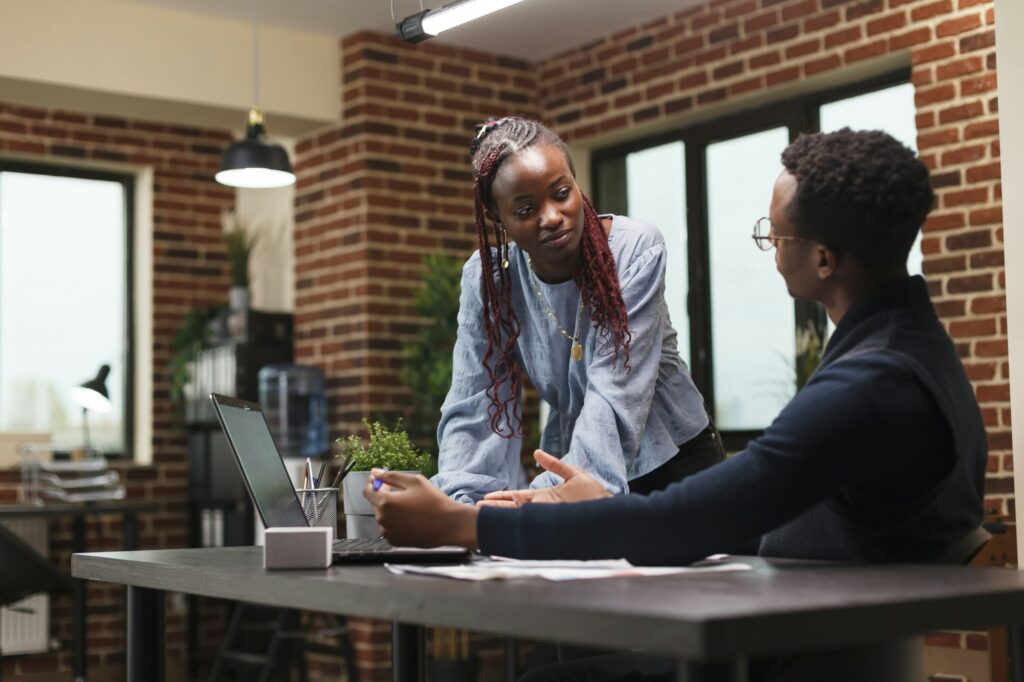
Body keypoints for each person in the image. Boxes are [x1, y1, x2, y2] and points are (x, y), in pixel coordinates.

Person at [365, 128, 988, 680]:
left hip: (797, 647)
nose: (770, 244)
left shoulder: (869, 388)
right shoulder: (910, 353)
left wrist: (464, 524)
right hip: (804, 619)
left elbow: (689, 518)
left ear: (823, 259)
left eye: (776, 232)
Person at [432, 116, 721, 503]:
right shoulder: (491, 279)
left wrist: (538, 498)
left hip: (675, 463)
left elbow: (614, 392)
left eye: (561, 192)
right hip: (577, 464)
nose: (552, 216)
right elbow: (476, 401)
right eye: (525, 209)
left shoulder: (633, 251)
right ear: (495, 217)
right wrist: (463, 502)